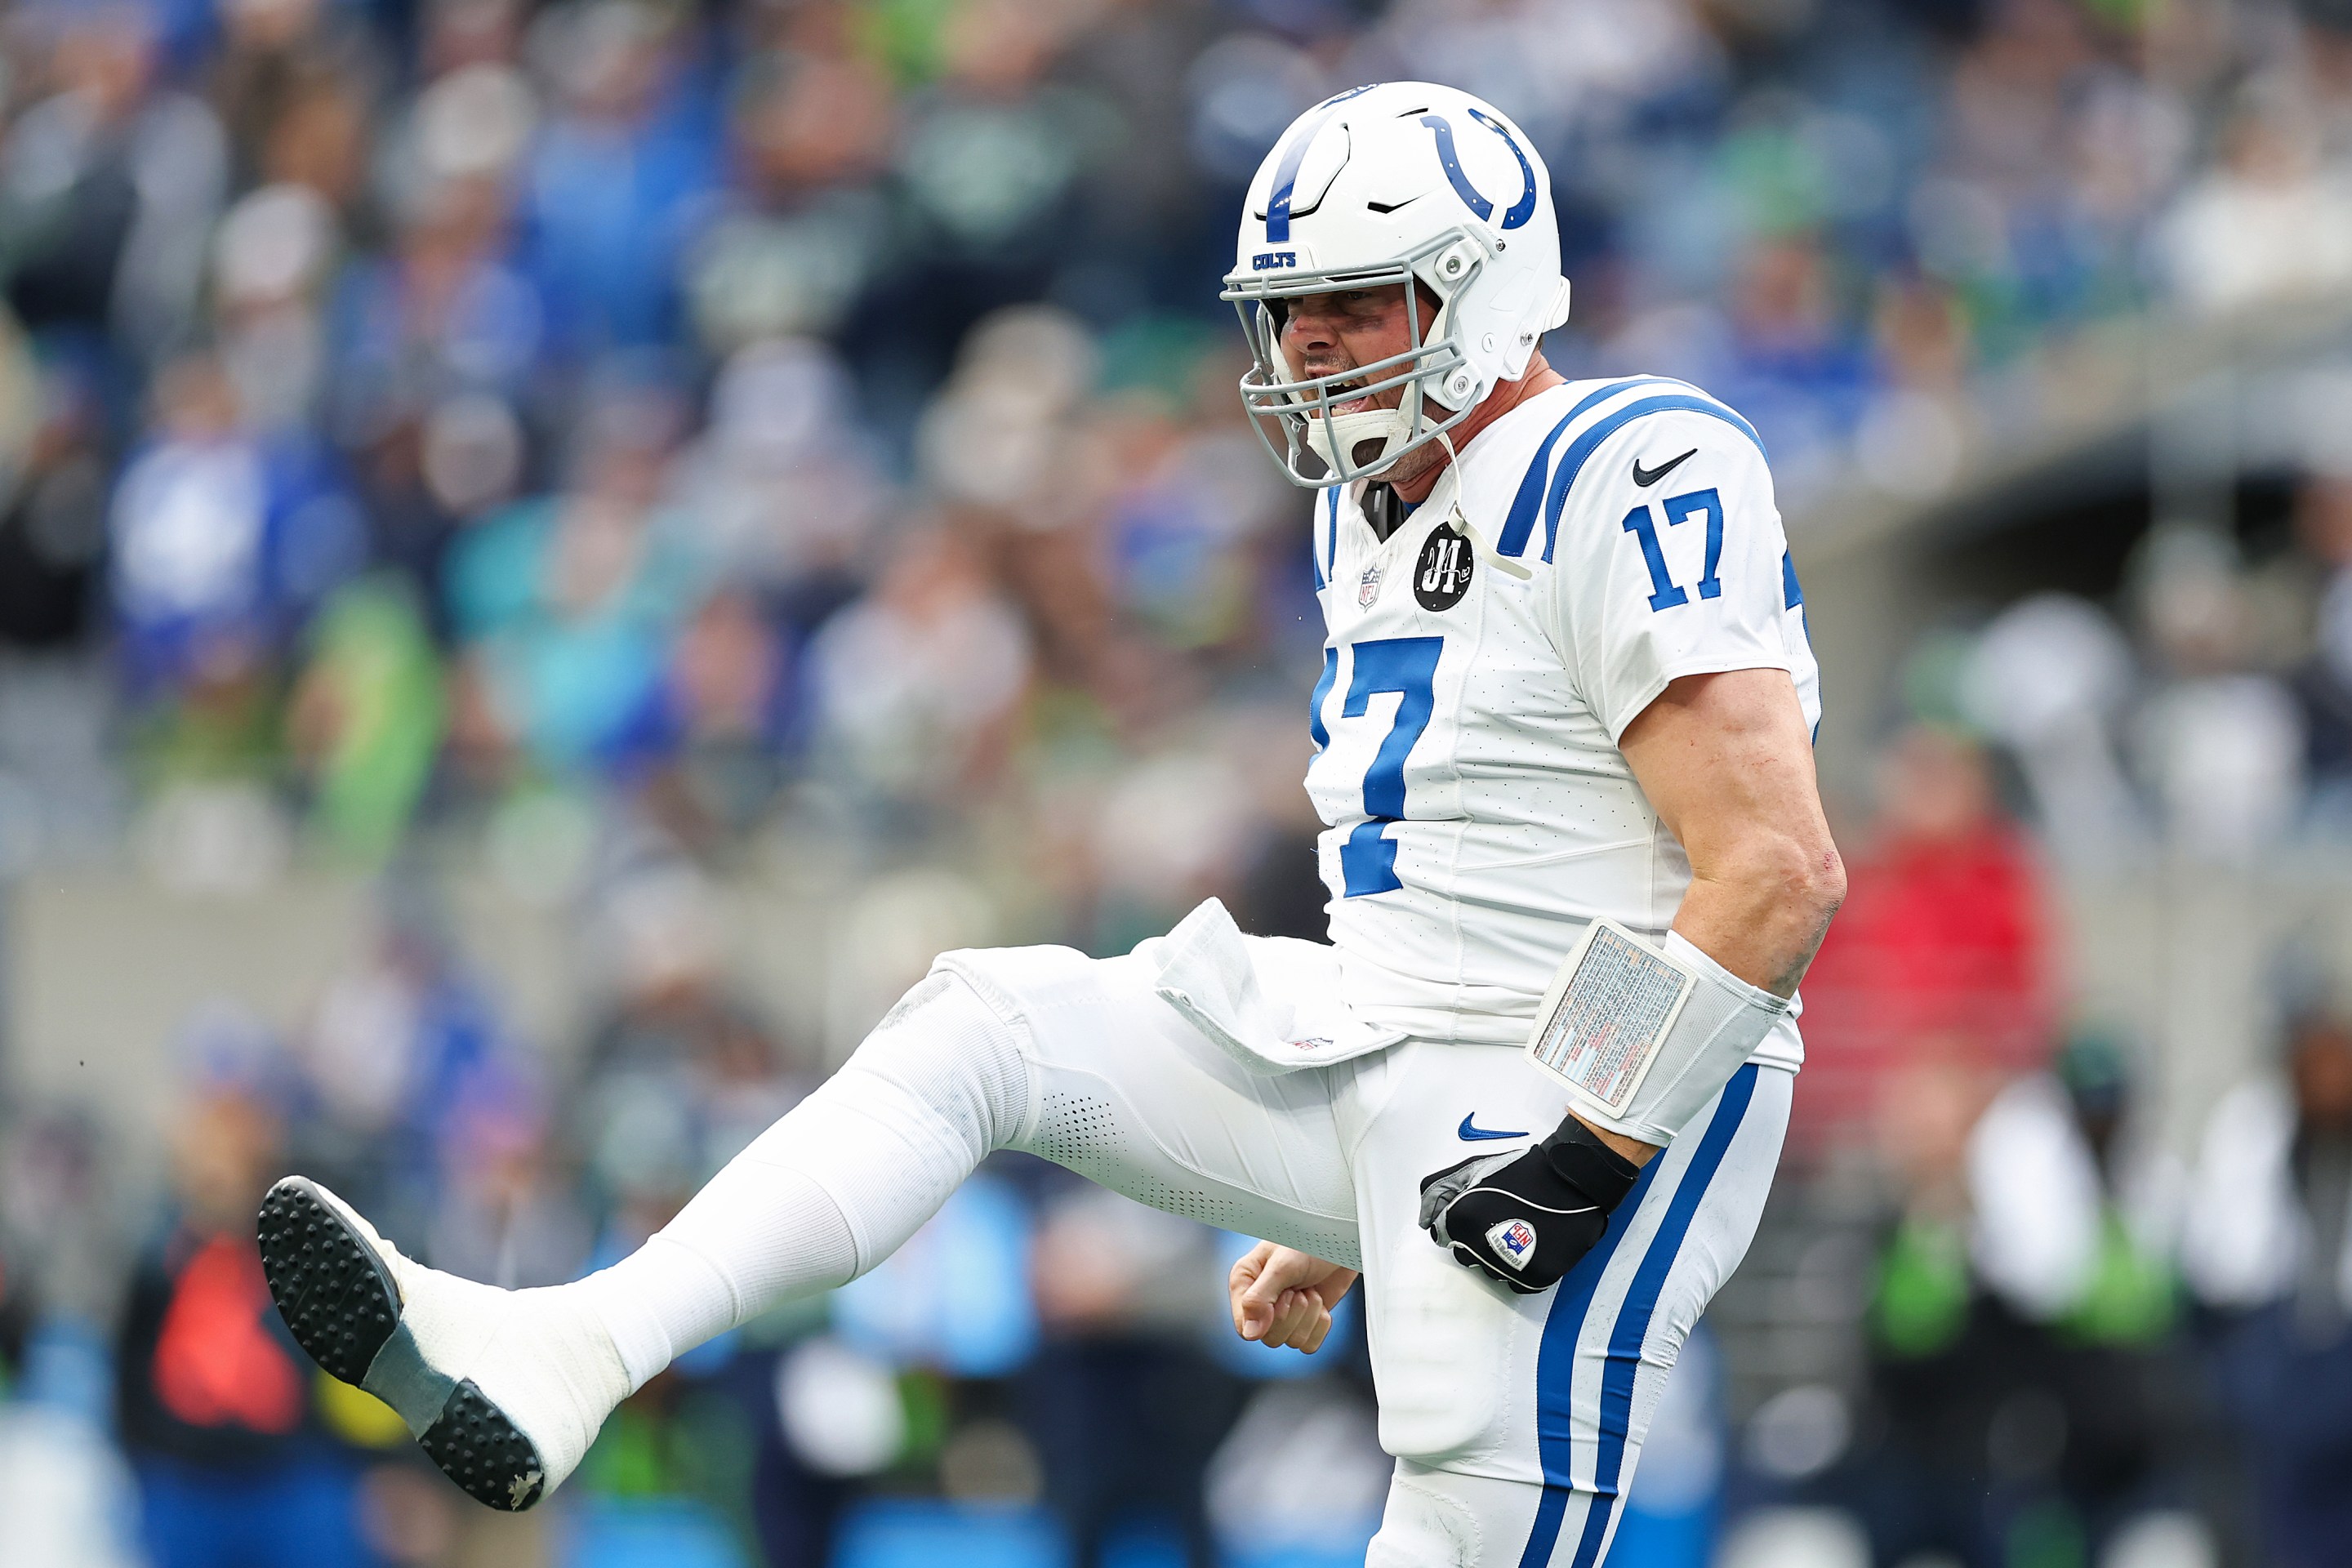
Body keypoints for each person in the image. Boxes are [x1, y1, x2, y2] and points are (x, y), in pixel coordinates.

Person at [254, 82, 1840, 1566]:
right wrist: (1359, 1183)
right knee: (986, 1026)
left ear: (1486, 291)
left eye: (1359, 302)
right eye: (1290, 310)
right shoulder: (1363, 511)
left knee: (1457, 1512)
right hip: (1401, 1040)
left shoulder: (1629, 462)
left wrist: (1577, 1144)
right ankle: (576, 1346)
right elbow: (1462, 883)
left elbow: (1771, 872)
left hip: (1604, 1085)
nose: (1309, 346)